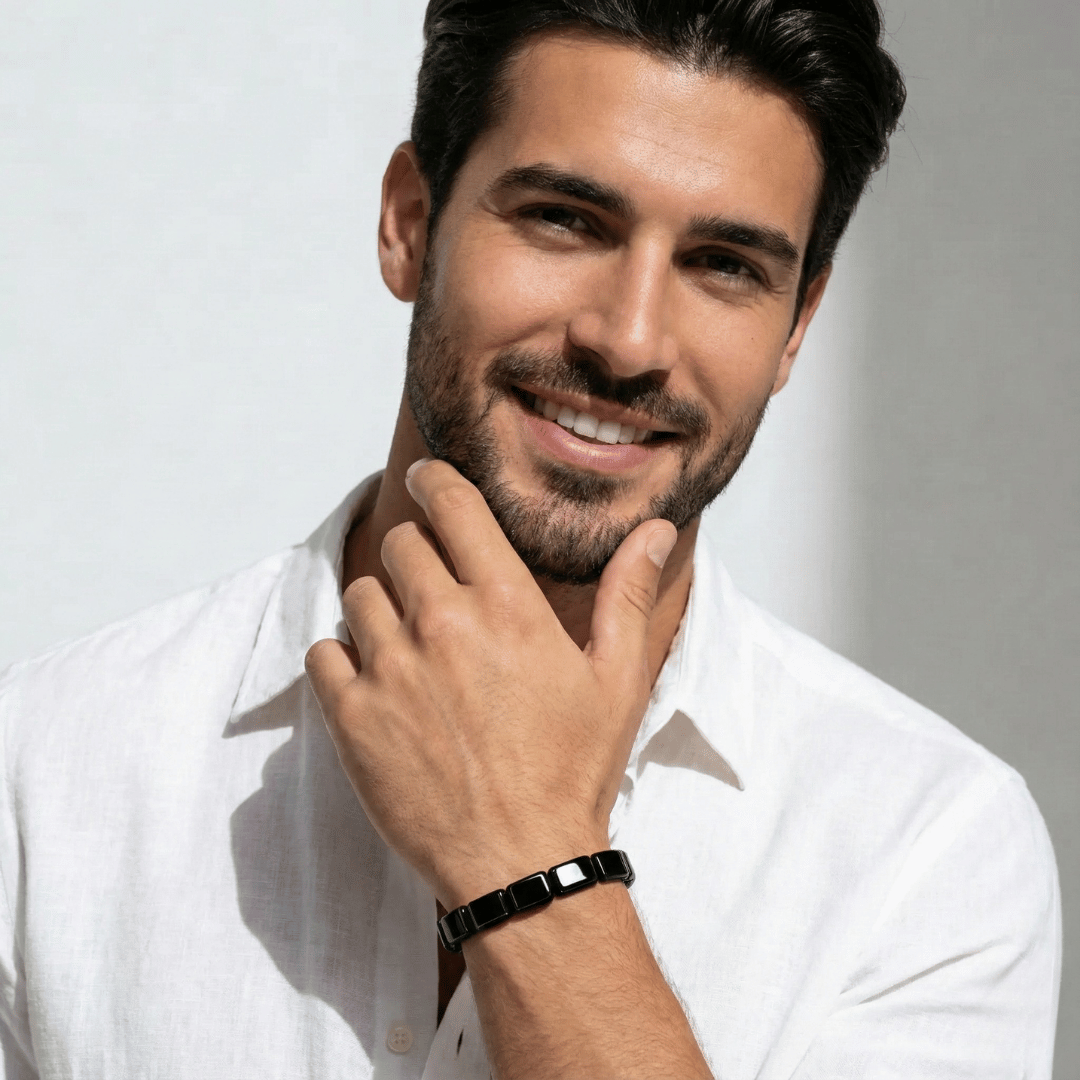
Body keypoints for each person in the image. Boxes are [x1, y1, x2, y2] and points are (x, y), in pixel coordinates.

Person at [0, 1, 1061, 1077]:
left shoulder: (932, 855)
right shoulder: (43, 768)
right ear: (411, 223)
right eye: (565, 219)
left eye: (725, 264)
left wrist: (527, 853)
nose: (629, 340)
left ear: (796, 328)